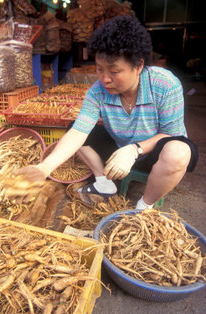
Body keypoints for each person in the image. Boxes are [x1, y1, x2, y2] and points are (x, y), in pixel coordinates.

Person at [18, 15, 198, 210]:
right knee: (73, 128)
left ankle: (144, 206)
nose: (105, 79)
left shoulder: (165, 85)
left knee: (178, 151)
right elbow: (79, 132)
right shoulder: (97, 92)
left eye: (114, 71)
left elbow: (172, 134)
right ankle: (104, 183)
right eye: (99, 69)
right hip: (117, 151)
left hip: (154, 153)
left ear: (138, 66)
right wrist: (44, 167)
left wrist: (133, 150)